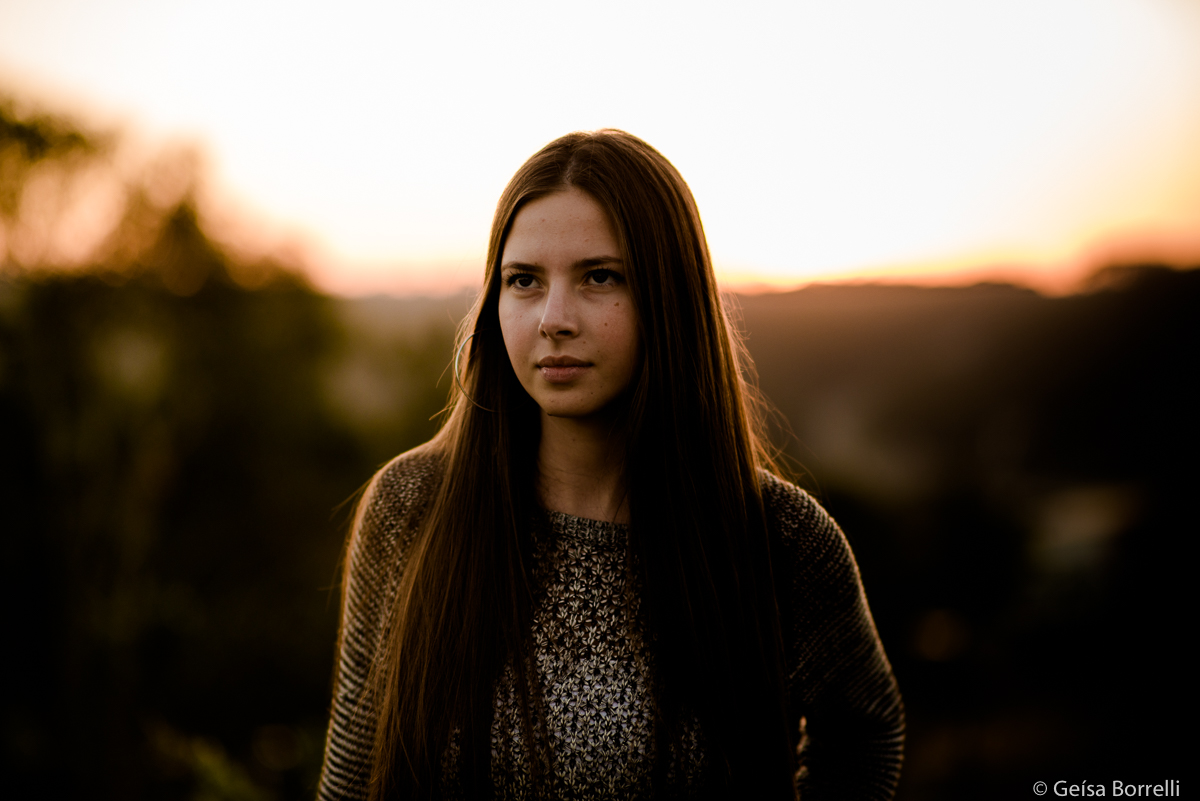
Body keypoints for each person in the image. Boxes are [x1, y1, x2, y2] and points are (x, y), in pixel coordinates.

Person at [317, 130, 904, 801]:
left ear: (670, 298)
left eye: (601, 276)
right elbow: (352, 775)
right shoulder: (413, 506)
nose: (553, 319)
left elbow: (864, 732)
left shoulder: (780, 538)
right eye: (524, 281)